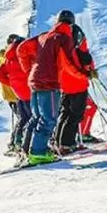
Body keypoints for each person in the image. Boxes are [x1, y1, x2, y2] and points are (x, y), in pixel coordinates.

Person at [26, 10, 81, 165]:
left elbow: (23, 48)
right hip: (48, 83)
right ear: (70, 24)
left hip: (34, 80)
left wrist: (28, 68)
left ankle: (28, 150)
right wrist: (83, 74)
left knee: (36, 118)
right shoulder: (64, 38)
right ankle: (38, 153)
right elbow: (69, 62)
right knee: (49, 119)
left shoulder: (45, 36)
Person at [54, 23, 95, 154]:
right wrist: (88, 72)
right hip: (78, 83)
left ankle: (58, 141)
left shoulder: (57, 39)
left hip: (64, 84)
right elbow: (84, 57)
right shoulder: (75, 36)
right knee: (76, 115)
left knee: (65, 113)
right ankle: (67, 143)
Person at [0, 34, 32, 153]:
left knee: (22, 118)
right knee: (30, 118)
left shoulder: (6, 57)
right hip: (25, 91)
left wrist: (12, 83)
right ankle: (24, 143)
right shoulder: (19, 56)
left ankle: (16, 142)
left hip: (16, 93)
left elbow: (0, 75)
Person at [16, 33, 44, 155]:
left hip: (21, 93)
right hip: (32, 89)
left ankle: (21, 143)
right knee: (40, 118)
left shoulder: (9, 58)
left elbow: (1, 76)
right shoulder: (30, 54)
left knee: (27, 118)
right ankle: (35, 148)